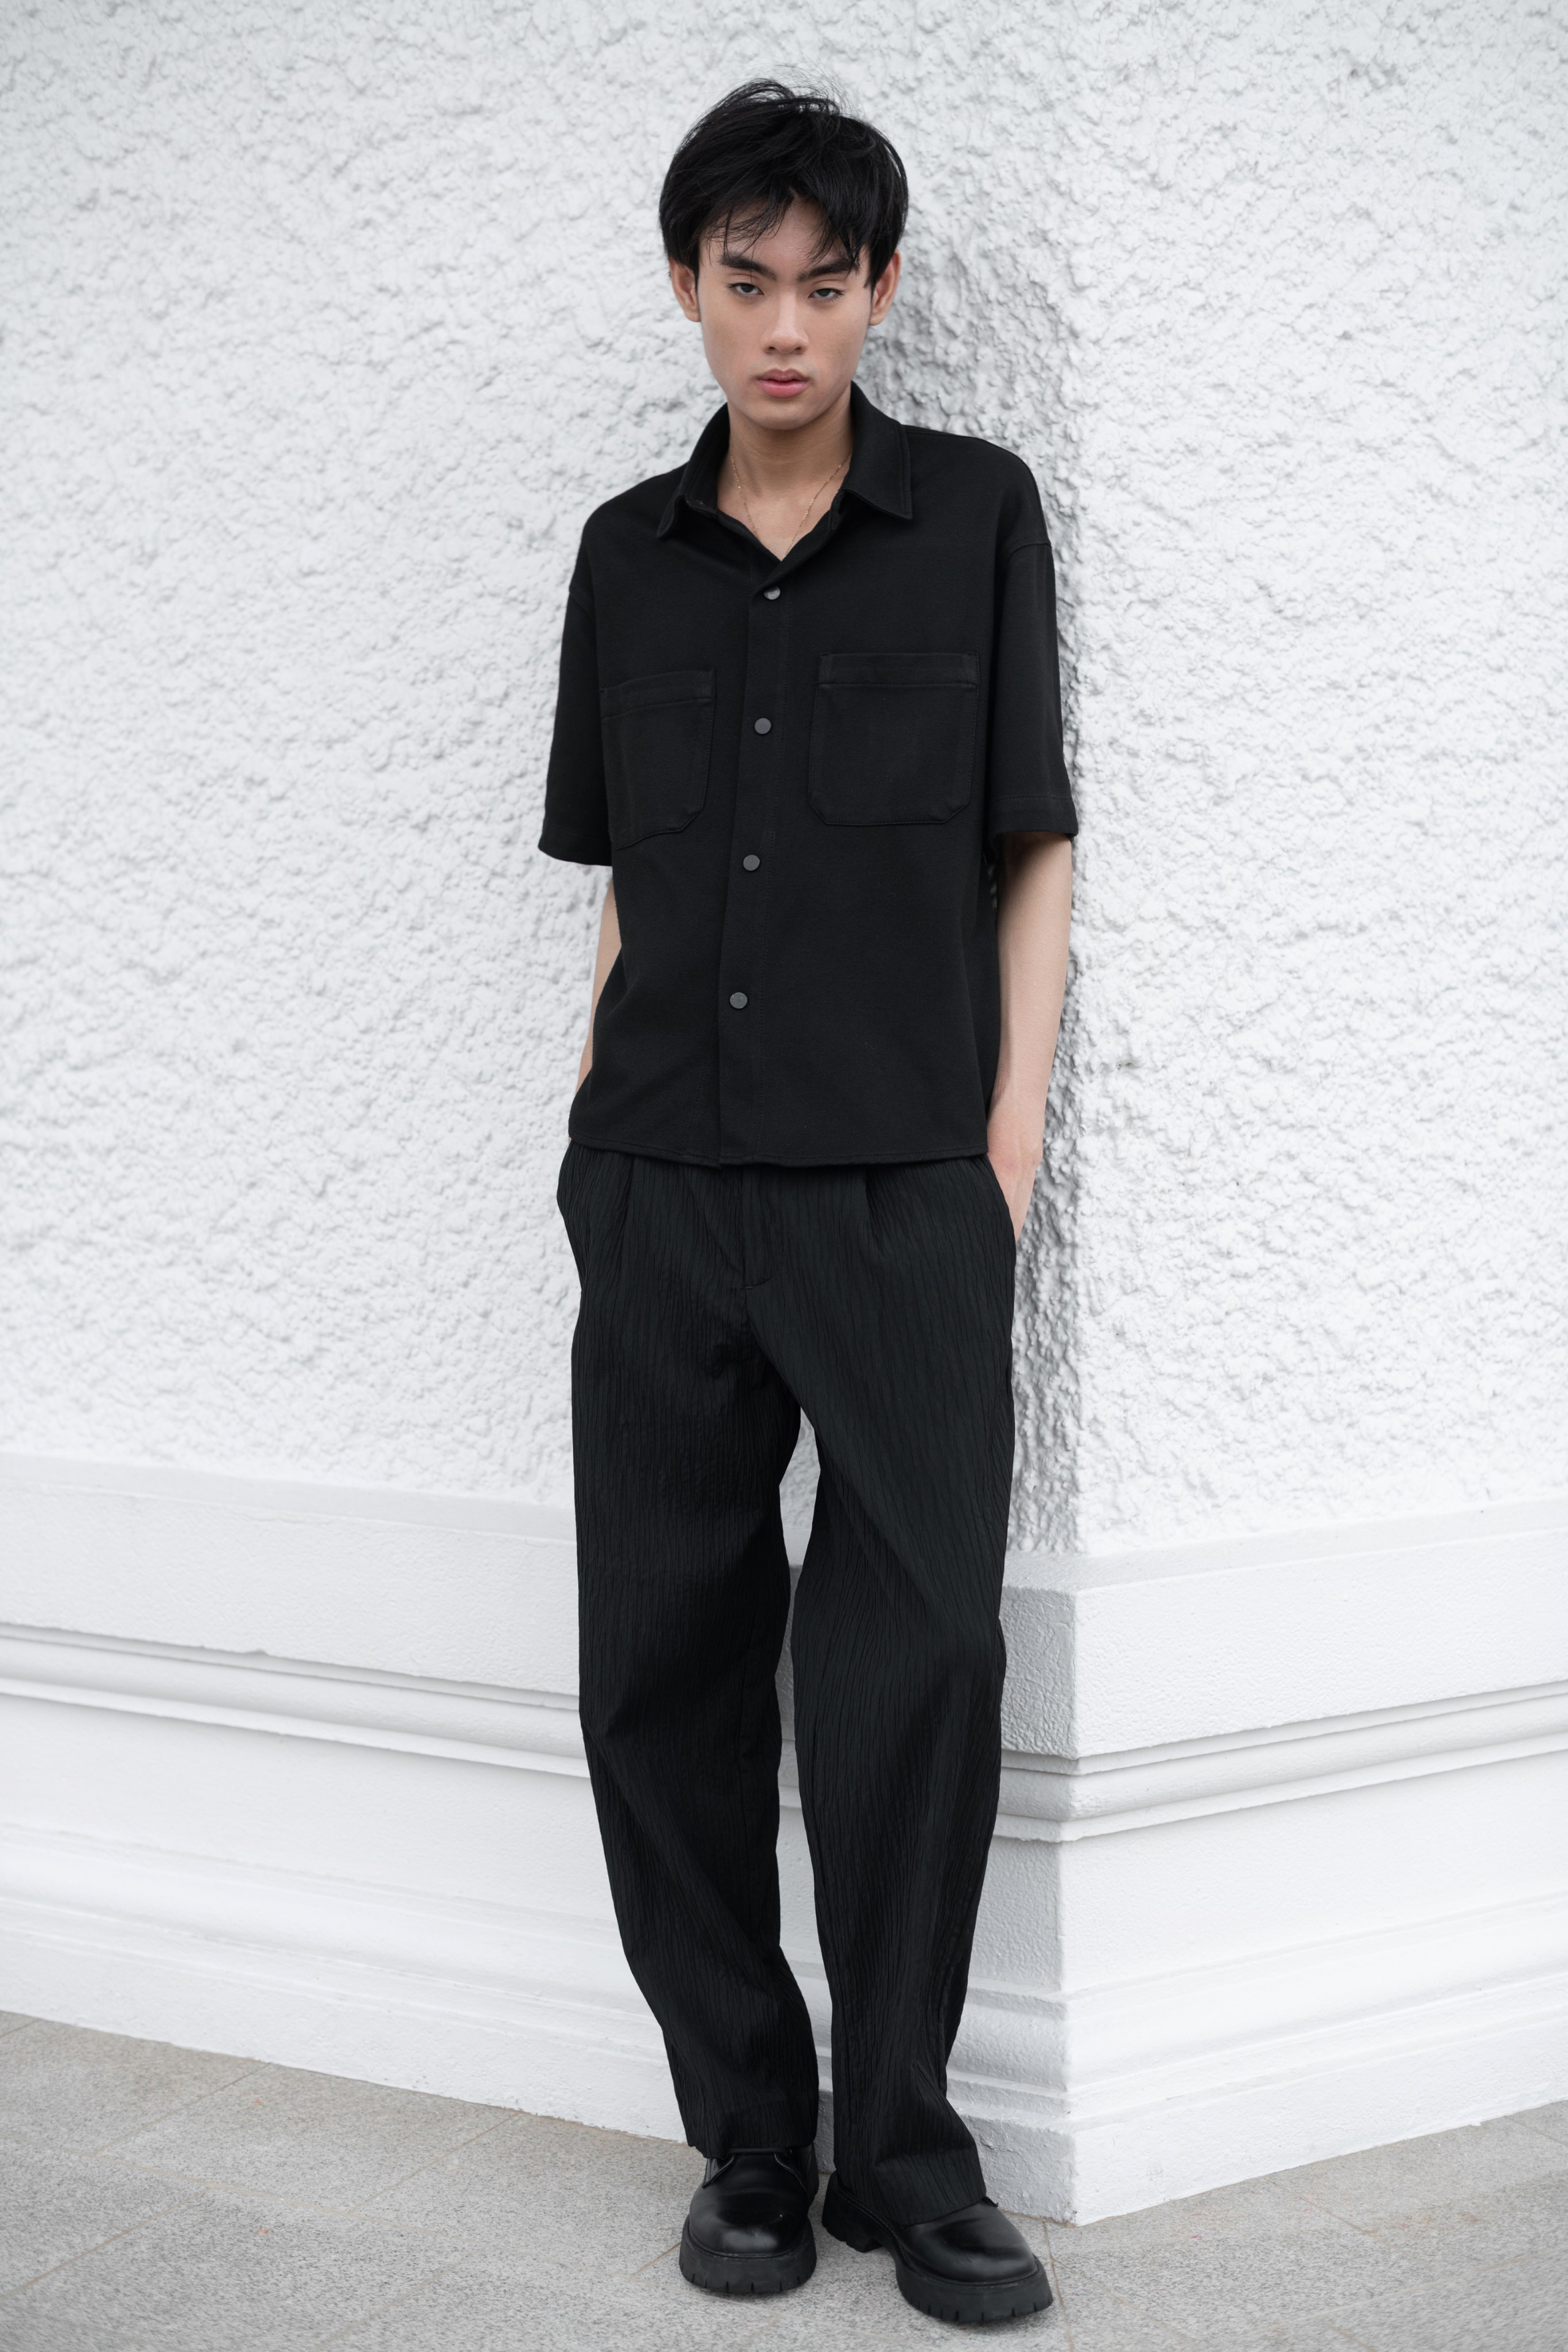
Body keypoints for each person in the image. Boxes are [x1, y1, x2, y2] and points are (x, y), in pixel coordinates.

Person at [538, 79, 1076, 2328]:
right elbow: (619, 899)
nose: (784, 326)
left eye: (824, 285)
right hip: (663, 1186)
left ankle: (908, 2150)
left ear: (875, 290)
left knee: (918, 1654)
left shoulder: (972, 522)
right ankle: (746, 2138)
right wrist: (592, 1136)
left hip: (899, 1193)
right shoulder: (622, 558)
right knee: (659, 1669)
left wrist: (1005, 1151)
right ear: (689, 287)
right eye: (743, 283)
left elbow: (1031, 843)